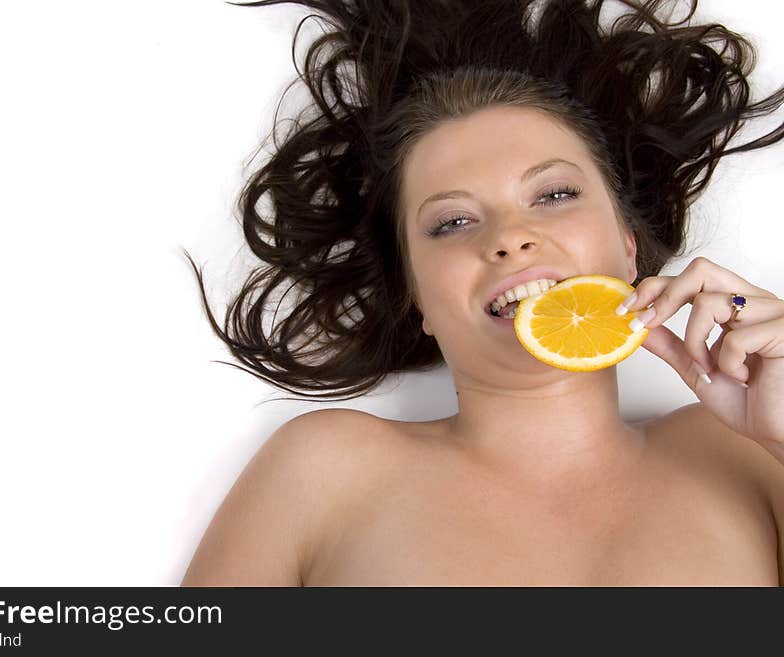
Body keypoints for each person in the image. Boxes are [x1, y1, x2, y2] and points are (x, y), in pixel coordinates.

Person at [181, 0, 784, 585]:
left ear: (628, 246)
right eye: (452, 222)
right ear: (417, 297)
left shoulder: (747, 452)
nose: (511, 238)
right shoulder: (324, 473)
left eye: (553, 195)